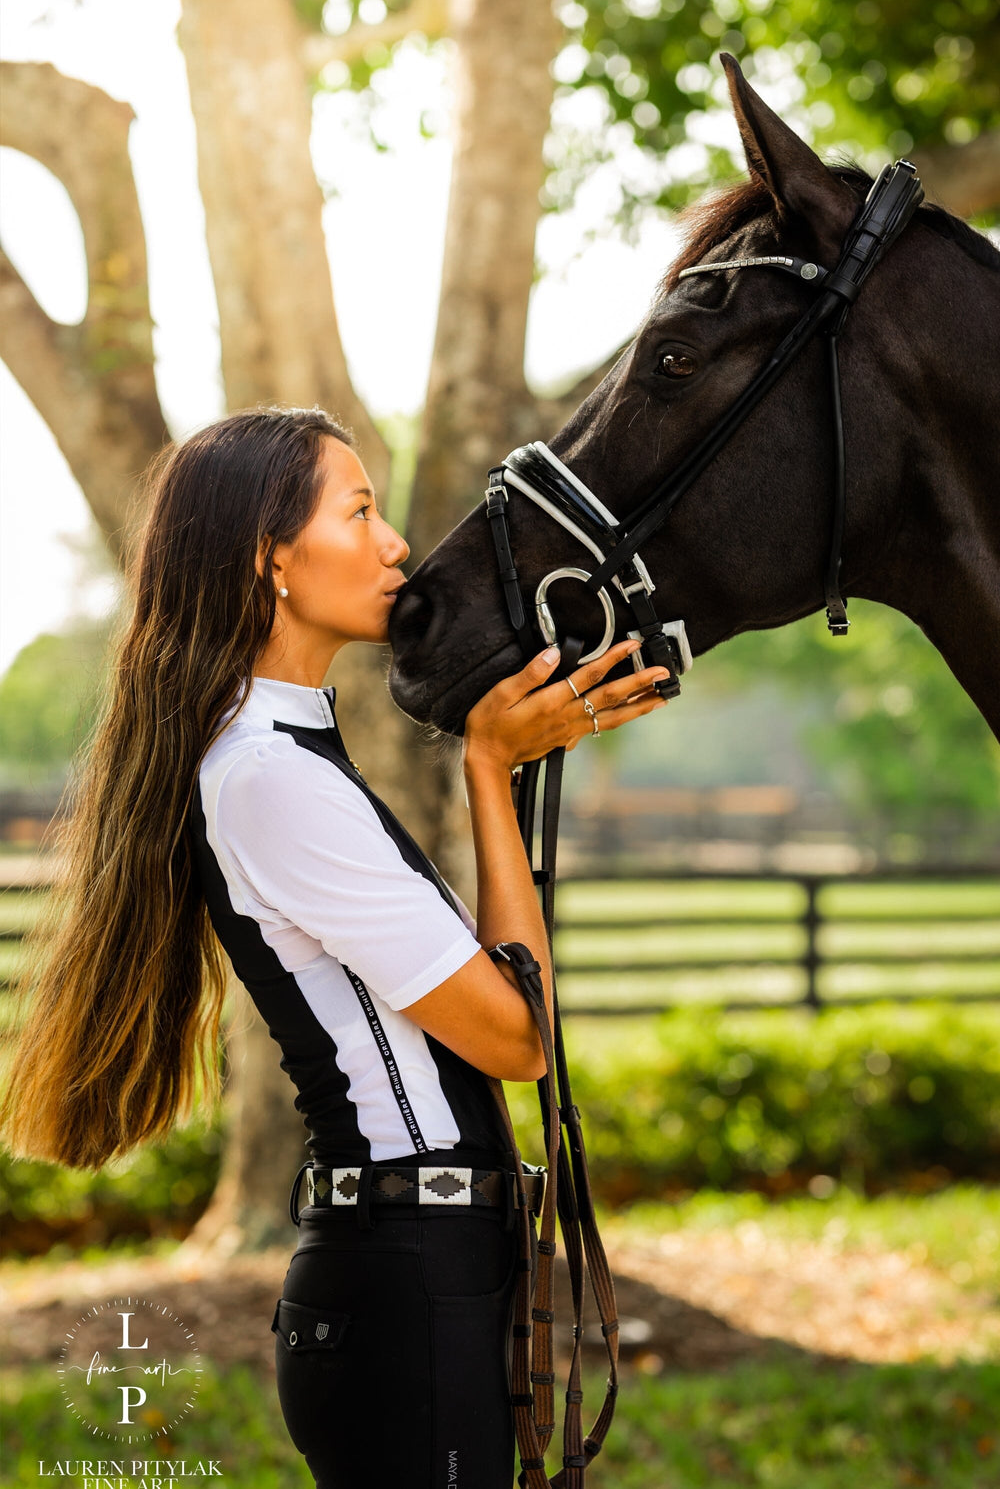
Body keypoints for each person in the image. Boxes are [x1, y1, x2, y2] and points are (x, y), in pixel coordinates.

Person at [0, 406, 669, 1489]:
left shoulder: (286, 750)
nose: (396, 541)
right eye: (359, 511)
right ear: (273, 558)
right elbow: (514, 1035)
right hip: (406, 1277)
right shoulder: (271, 775)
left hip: (420, 1266)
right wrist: (489, 770)